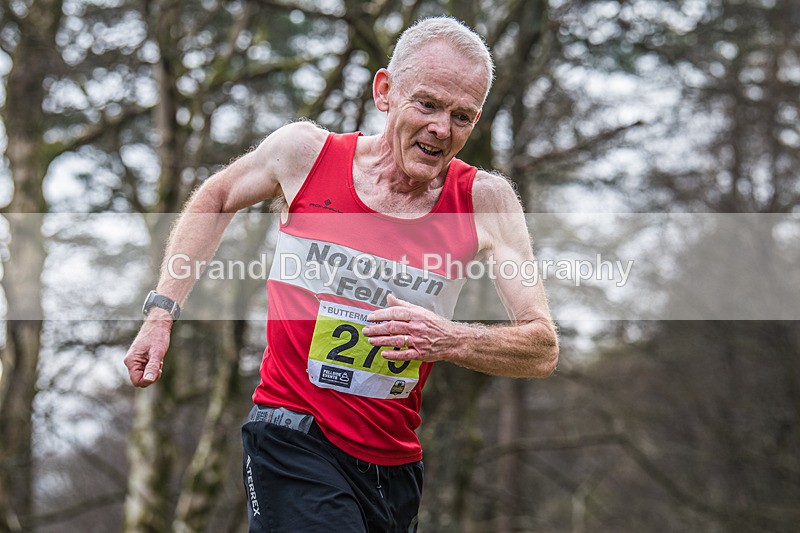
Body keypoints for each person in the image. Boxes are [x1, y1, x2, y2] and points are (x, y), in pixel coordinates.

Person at [124, 16, 558, 533]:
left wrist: (449, 339)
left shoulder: (484, 201)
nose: (442, 128)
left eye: (461, 116)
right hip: (291, 435)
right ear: (385, 92)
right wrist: (162, 312)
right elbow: (216, 197)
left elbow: (542, 347)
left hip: (394, 462)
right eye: (427, 104)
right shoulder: (305, 154)